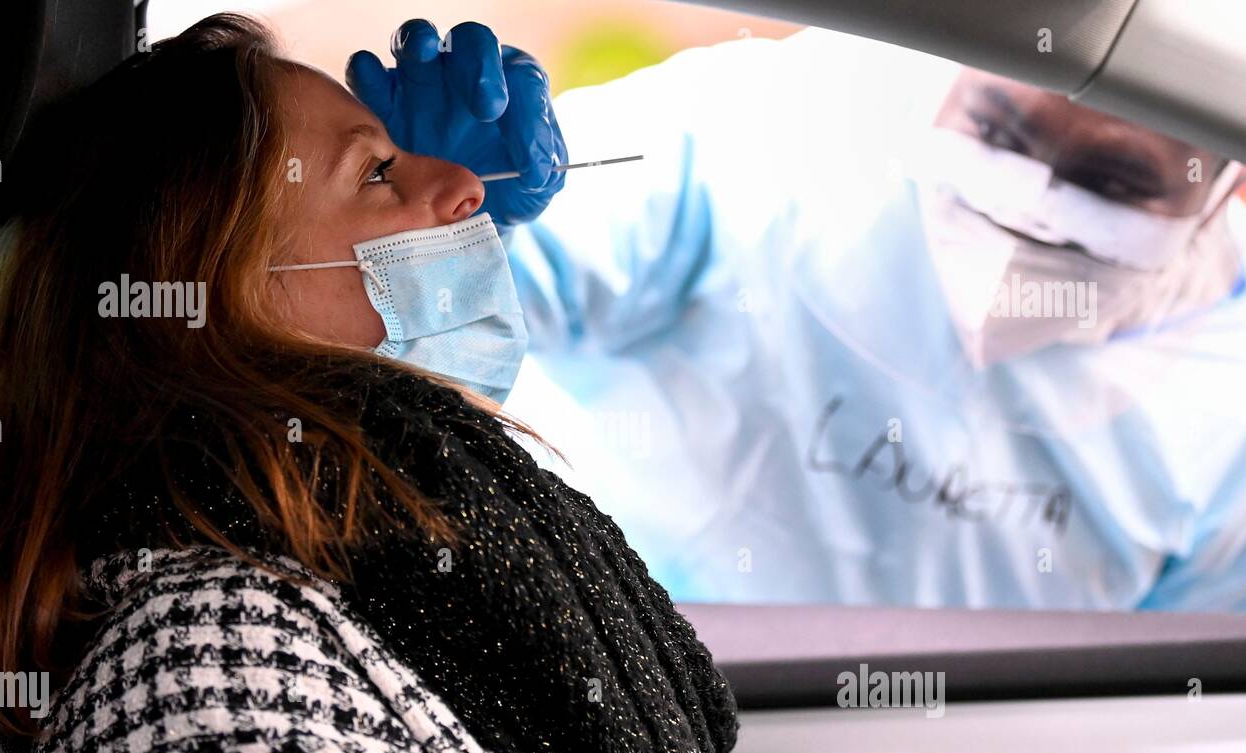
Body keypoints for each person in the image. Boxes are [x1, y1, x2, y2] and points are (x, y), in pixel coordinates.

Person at [0, 14, 737, 753]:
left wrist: (410, 220)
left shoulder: (367, 598)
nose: (469, 187)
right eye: (379, 171)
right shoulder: (222, 700)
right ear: (220, 315)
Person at [348, 21, 1246, 611]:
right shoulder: (763, 132)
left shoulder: (1227, 427)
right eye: (1001, 133)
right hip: (615, 682)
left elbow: (1154, 714)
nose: (1034, 201)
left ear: (1227, 188)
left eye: (1115, 181)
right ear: (949, 76)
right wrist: (435, 225)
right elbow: (399, 352)